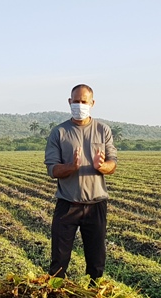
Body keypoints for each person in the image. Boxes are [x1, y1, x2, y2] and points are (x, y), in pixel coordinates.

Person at [44, 84, 117, 279]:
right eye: (76, 101)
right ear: (69, 102)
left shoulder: (103, 130)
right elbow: (52, 169)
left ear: (92, 103)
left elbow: (112, 164)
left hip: (96, 205)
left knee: (96, 261)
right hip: (67, 204)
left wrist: (102, 166)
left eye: (84, 102)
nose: (79, 105)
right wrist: (72, 166)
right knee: (59, 261)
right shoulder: (59, 132)